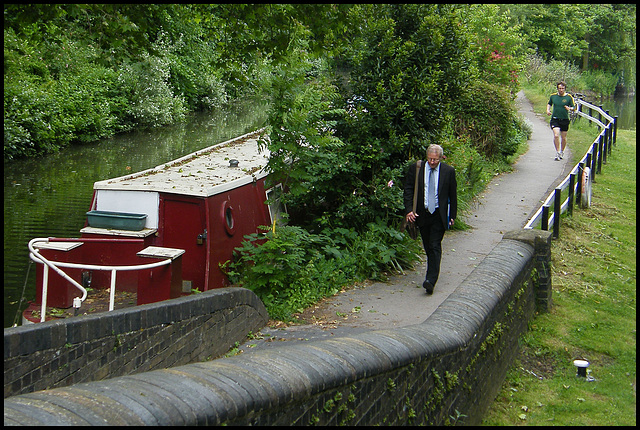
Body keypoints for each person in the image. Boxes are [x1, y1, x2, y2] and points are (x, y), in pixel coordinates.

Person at [403, 144, 457, 295]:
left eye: (435, 160)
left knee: (434, 245)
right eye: (430, 159)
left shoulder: (448, 171)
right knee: (427, 244)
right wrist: (409, 211)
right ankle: (431, 271)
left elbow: (453, 195)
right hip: (422, 213)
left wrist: (452, 215)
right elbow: (408, 189)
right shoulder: (417, 168)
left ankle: (430, 280)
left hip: (439, 215)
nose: (432, 162)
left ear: (441, 158)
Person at [546, 81, 575, 161]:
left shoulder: (569, 97)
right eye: (559, 88)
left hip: (564, 120)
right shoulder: (553, 96)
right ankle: (557, 152)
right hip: (555, 119)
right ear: (557, 89)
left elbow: (574, 107)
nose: (561, 90)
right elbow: (549, 104)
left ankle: (562, 151)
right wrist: (548, 110)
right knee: (556, 135)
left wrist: (569, 108)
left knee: (563, 137)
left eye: (562, 88)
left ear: (565, 89)